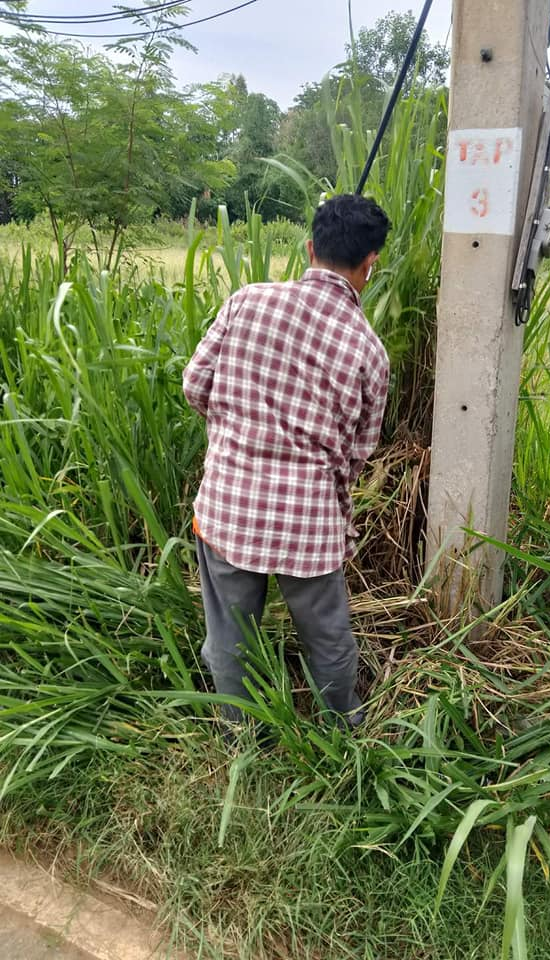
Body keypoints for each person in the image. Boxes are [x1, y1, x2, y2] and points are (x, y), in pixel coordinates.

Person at [183, 193, 391, 732]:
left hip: (229, 505)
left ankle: (240, 732)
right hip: (310, 522)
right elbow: (359, 451)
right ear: (371, 263)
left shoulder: (246, 301)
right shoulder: (369, 350)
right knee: (327, 636)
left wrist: (236, 431)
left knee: (230, 633)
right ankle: (342, 736)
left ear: (309, 247)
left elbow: (194, 385)